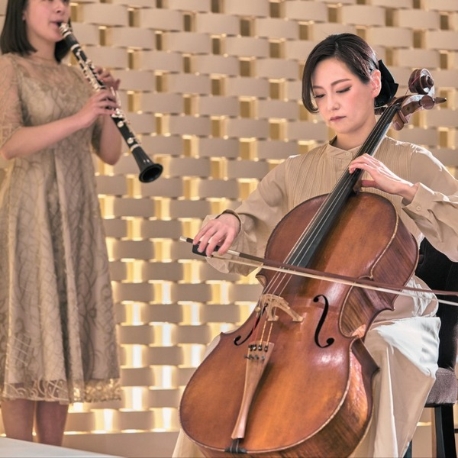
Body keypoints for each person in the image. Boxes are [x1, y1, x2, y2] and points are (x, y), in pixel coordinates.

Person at [173, 33, 458, 457]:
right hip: (300, 320)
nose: (331, 105)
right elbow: (250, 224)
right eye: (320, 95)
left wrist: (402, 188)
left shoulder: (411, 160)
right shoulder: (294, 172)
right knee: (222, 365)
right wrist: (229, 222)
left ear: (374, 83)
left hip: (393, 314)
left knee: (379, 350)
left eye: (342, 89)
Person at [0, 0, 122, 446]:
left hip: (76, 218)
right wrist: (81, 116)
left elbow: (110, 154)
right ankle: (17, 453)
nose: (60, 7)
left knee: (62, 340)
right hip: (29, 217)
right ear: (21, 10)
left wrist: (109, 106)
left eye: (65, 1)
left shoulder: (77, 77)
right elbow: (9, 143)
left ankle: (52, 453)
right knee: (28, 337)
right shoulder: (9, 67)